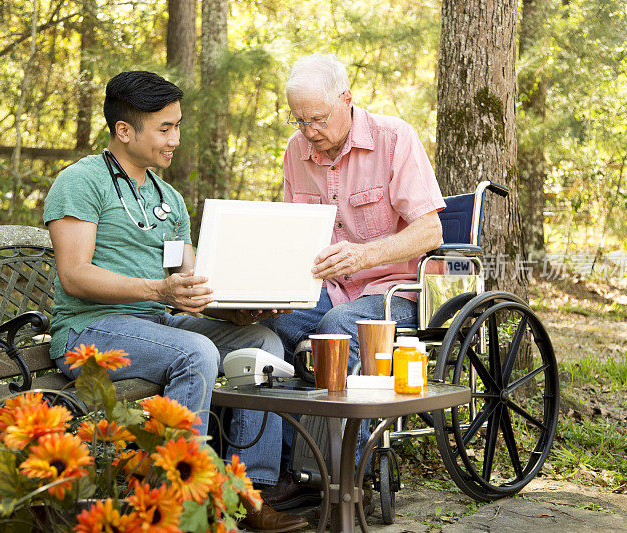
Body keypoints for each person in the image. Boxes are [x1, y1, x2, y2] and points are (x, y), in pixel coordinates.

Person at [43, 70, 307, 532]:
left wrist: (237, 304)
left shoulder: (168, 197)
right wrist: (157, 291)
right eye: (165, 128)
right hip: (89, 329)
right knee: (197, 351)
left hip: (156, 325)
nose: (175, 139)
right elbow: (75, 275)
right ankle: (177, 505)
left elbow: (188, 280)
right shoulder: (81, 181)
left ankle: (248, 493)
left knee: (262, 341)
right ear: (124, 130)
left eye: (178, 125)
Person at [263, 54, 445, 508]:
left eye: (317, 119)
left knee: (340, 328)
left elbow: (430, 231)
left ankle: (349, 475)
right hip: (327, 290)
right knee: (268, 331)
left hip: (397, 290)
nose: (309, 132)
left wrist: (364, 254)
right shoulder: (295, 150)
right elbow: (291, 233)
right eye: (299, 120)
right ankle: (286, 471)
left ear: (347, 98)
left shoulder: (393, 137)